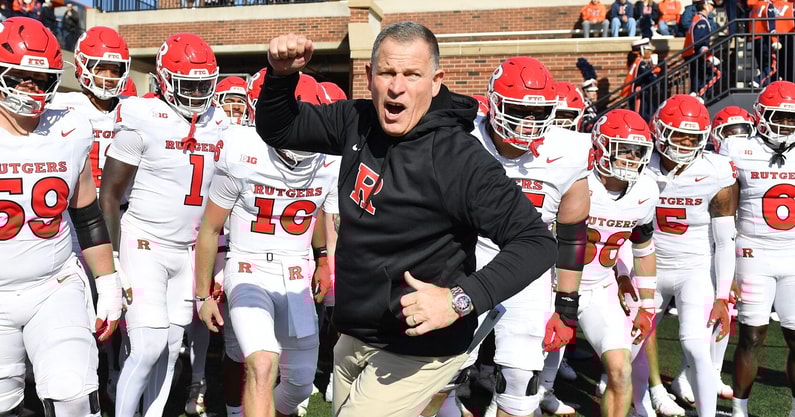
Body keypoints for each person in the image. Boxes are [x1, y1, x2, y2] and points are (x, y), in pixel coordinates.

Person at [256, 21, 558, 417]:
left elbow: (537, 242)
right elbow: (280, 127)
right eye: (387, 73)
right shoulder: (357, 120)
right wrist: (281, 77)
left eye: (412, 75)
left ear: (435, 82)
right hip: (356, 335)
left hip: (419, 349)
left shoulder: (458, 158)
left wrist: (460, 299)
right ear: (369, 77)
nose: (397, 87)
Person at [427, 56, 592, 417]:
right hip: (463, 266)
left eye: (539, 112)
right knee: (439, 378)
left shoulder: (570, 151)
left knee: (521, 383)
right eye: (518, 109)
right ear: (495, 103)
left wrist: (565, 307)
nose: (528, 122)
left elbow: (572, 233)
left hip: (526, 273)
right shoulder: (462, 135)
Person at [196, 68, 338, 417]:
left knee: (301, 382)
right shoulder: (243, 149)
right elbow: (210, 228)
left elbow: (316, 213)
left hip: (295, 270)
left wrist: (321, 259)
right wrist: (202, 294)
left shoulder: (331, 161)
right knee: (261, 364)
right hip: (249, 266)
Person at [98, 32, 227, 417]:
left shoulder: (218, 119)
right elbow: (109, 195)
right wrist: (112, 262)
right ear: (165, 80)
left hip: (189, 248)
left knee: (172, 346)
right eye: (189, 85)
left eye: (204, 84)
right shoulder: (141, 115)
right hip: (145, 243)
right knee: (149, 345)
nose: (198, 94)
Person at [0, 16, 122, 417]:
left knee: (74, 395)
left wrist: (107, 282)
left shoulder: (69, 127)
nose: (32, 89)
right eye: (21, 76)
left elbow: (86, 213)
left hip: (52, 283)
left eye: (42, 79)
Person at [49, 25, 133, 408]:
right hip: (76, 218)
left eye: (116, 69)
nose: (109, 77)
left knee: (121, 302)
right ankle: (84, 376)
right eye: (101, 67)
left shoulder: (135, 110)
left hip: (123, 217)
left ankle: (117, 371)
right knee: (79, 304)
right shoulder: (62, 108)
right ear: (82, 66)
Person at [643, 94, 738, 417]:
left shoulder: (716, 170)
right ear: (659, 130)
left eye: (693, 136)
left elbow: (725, 240)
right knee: (631, 343)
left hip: (694, 268)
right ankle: (642, 403)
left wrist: (723, 296)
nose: (685, 142)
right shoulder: (640, 161)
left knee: (696, 344)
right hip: (648, 265)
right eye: (677, 133)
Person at [719, 80, 795, 417]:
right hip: (752, 253)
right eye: (780, 115)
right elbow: (725, 210)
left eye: (792, 118)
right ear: (761, 115)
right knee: (751, 336)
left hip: (794, 254)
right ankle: (739, 410)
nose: (786, 124)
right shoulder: (737, 147)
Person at [580, 108, 659, 417]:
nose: (630, 158)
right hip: (553, 285)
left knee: (620, 371)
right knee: (525, 375)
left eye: (637, 152)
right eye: (622, 149)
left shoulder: (645, 189)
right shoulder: (577, 178)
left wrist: (647, 304)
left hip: (600, 287)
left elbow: (642, 246)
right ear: (599, 146)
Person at [683, 0, 719, 98]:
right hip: (696, 54)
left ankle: (697, 95)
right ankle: (701, 96)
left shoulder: (697, 18)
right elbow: (700, 42)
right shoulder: (701, 20)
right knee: (717, 73)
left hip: (692, 53)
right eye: (711, 5)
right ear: (705, 5)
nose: (712, 7)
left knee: (697, 77)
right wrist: (709, 56)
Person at [750, 0, 779, 88]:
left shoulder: (755, 7)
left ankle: (767, 86)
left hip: (755, 39)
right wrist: (774, 41)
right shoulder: (768, 5)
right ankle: (757, 81)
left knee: (763, 65)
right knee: (772, 66)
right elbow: (770, 25)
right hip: (765, 39)